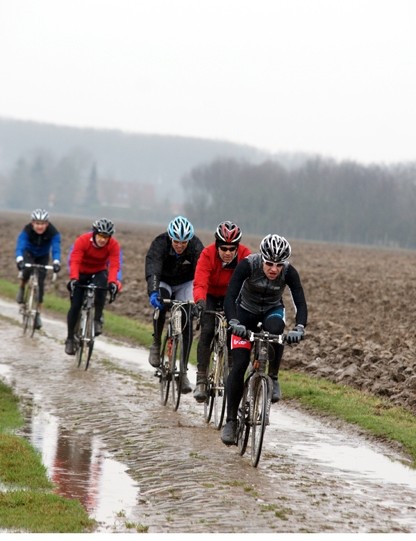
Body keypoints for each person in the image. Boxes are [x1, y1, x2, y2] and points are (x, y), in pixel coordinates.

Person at [221, 234, 308, 445]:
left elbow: (300, 302)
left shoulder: (289, 272)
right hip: (244, 314)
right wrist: (234, 322)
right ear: (262, 259)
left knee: (277, 329)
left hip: (272, 311)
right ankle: (231, 422)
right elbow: (230, 295)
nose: (274, 269)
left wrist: (300, 327)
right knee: (240, 365)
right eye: (269, 264)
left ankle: (273, 377)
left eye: (278, 265)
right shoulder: (247, 265)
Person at [192, 220, 251, 402]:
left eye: (231, 249)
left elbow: (250, 283)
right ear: (217, 246)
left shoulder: (245, 256)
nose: (227, 253)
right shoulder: (207, 254)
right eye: (223, 248)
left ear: (237, 248)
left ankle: (231, 370)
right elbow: (200, 281)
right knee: (208, 329)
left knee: (233, 332)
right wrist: (200, 301)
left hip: (231, 298)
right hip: (210, 294)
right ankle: (201, 378)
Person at [145, 216, 204, 393]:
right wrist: (154, 291)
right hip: (164, 281)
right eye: (176, 241)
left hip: (186, 283)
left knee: (186, 320)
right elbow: (153, 268)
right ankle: (156, 343)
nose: (179, 245)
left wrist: (199, 300)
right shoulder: (160, 243)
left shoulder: (195, 246)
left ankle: (183, 372)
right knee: (161, 304)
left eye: (183, 242)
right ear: (171, 238)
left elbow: (201, 272)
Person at [64, 218, 121, 355]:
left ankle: (97, 319)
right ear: (94, 234)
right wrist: (74, 279)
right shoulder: (82, 241)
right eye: (100, 236)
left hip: (98, 271)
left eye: (106, 237)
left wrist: (113, 282)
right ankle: (70, 338)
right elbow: (75, 260)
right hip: (81, 272)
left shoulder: (113, 245)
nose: (103, 239)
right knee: (75, 306)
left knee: (102, 288)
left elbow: (114, 265)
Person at [15, 209, 61, 329]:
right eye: (37, 223)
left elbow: (56, 248)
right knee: (27, 270)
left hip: (43, 256)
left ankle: (37, 314)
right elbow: (20, 244)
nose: (40, 226)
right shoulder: (27, 230)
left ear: (47, 224)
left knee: (40, 285)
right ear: (32, 223)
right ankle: (22, 286)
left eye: (42, 224)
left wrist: (56, 261)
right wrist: (19, 259)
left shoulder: (53, 232)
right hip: (28, 253)